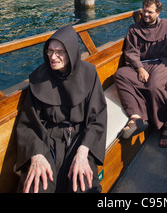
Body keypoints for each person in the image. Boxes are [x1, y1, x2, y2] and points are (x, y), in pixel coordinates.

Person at [15, 25, 107, 193]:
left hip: (80, 138)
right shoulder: (38, 78)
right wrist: (36, 154)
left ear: (71, 52)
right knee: (37, 186)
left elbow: (97, 118)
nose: (53, 57)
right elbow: (28, 124)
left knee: (82, 185)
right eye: (50, 51)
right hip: (46, 140)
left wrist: (83, 151)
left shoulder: (89, 73)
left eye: (59, 52)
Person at [114, 0, 167, 148]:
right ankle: (136, 116)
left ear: (158, 13)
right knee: (120, 75)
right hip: (140, 65)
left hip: (159, 63)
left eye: (150, 12)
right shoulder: (134, 29)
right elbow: (131, 52)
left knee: (154, 86)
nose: (146, 15)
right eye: (144, 11)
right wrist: (139, 68)